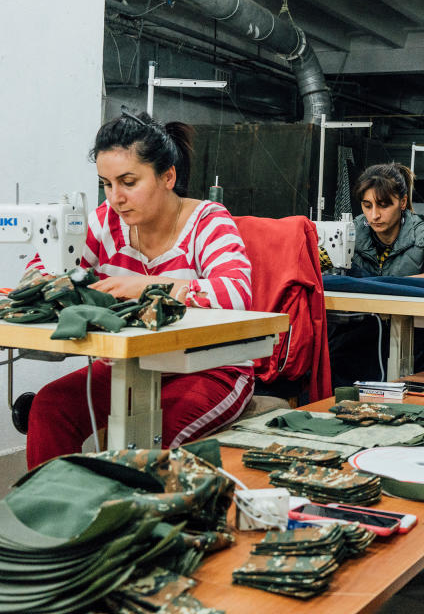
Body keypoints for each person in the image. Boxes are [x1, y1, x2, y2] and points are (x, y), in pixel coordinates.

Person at [25, 111, 254, 469]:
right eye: (106, 183)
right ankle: (51, 516)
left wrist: (145, 286)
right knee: (50, 407)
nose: (116, 197)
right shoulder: (103, 222)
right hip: (130, 366)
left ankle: (140, 521)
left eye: (128, 181)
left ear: (168, 177)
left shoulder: (208, 221)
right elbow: (40, 273)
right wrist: (61, 284)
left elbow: (235, 294)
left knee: (155, 438)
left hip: (209, 367)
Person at [319, 162, 424, 280]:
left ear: (403, 202)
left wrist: (393, 284)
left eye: (384, 205)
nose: (374, 215)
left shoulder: (423, 235)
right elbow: (309, 264)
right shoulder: (351, 233)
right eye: (367, 206)